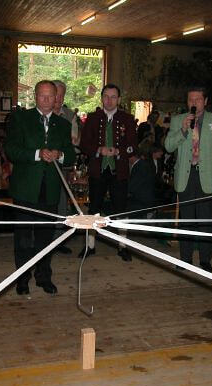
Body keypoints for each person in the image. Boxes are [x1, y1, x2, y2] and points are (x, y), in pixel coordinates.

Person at [5, 80, 75, 295]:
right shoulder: (20, 118)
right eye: (42, 95)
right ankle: (22, 278)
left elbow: (71, 156)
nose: (46, 99)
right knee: (24, 238)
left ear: (56, 99)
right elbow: (11, 150)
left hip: (50, 190)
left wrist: (60, 154)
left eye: (50, 96)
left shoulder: (63, 124)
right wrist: (37, 154)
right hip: (25, 189)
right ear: (35, 96)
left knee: (46, 238)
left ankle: (44, 277)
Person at [164, 86, 212, 272]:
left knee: (206, 222)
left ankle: (205, 260)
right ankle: (185, 259)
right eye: (190, 100)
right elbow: (168, 146)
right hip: (186, 177)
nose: (194, 103)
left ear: (205, 101)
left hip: (208, 178)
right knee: (186, 222)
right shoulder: (178, 120)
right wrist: (183, 130)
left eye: (198, 99)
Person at [79, 83, 138, 261]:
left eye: (113, 97)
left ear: (118, 99)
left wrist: (119, 151)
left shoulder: (128, 119)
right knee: (94, 208)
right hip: (98, 170)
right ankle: (90, 246)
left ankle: (122, 246)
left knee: (121, 209)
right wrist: (99, 149)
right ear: (101, 98)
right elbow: (84, 145)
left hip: (119, 172)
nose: (109, 100)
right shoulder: (92, 118)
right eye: (106, 96)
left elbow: (133, 146)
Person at [52, 80, 78, 255]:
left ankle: (58, 240)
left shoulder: (69, 115)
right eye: (57, 95)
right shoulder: (40, 113)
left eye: (62, 95)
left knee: (62, 204)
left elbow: (74, 142)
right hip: (42, 167)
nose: (59, 99)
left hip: (63, 167)